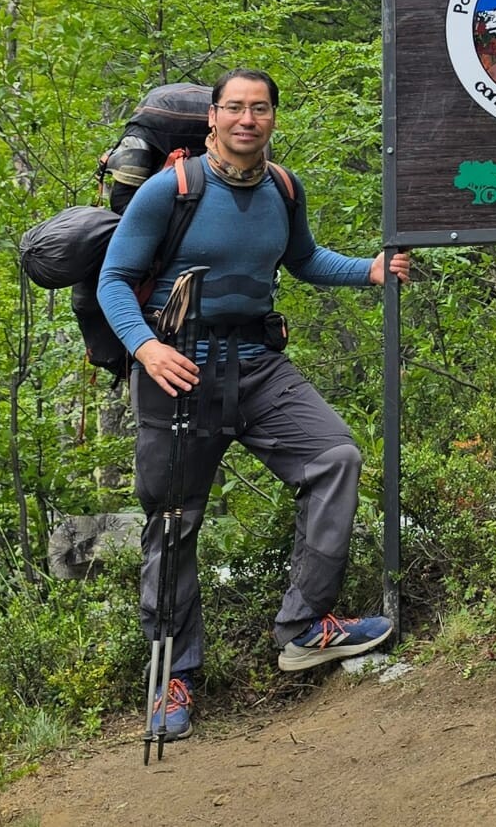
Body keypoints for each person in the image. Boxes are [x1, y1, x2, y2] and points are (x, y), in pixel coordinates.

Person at [98, 68, 410, 740]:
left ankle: (304, 627)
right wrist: (146, 349)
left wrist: (369, 270)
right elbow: (114, 280)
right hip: (177, 370)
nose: (248, 119)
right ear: (212, 118)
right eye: (235, 108)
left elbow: (304, 259)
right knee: (174, 521)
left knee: (334, 457)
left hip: (259, 365)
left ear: (273, 117)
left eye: (260, 108)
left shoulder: (283, 188)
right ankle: (173, 676)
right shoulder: (170, 189)